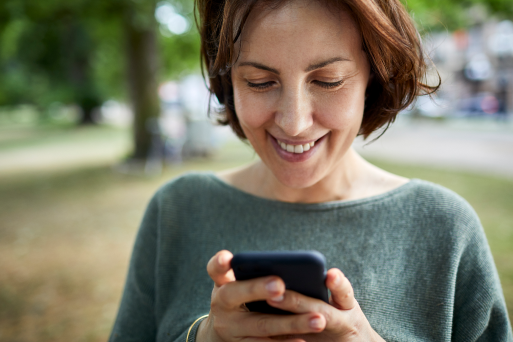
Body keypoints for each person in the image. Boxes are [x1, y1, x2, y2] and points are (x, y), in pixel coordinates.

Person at [109, 0, 513, 341]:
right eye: (260, 81)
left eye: (328, 80)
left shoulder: (444, 226)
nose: (294, 122)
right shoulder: (177, 211)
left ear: (373, 75)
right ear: (227, 82)